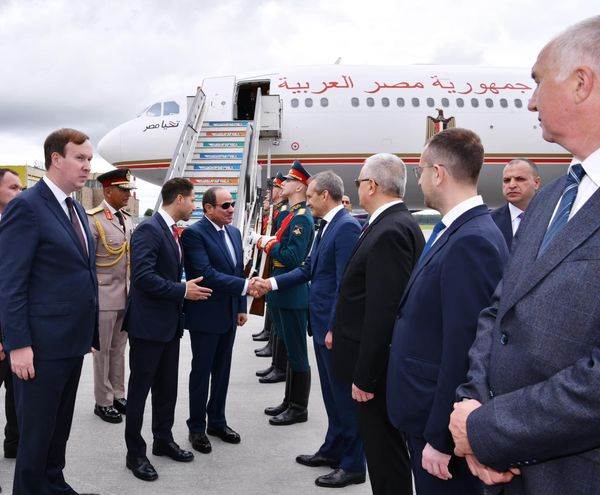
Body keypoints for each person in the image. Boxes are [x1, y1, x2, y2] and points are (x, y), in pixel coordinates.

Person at [449, 16, 600, 494]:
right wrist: (472, 408)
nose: (531, 101)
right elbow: (499, 312)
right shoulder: (550, 198)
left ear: (581, 83)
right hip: (506, 471)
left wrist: (486, 432)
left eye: (538, 82)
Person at [387, 128, 508, 494]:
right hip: (423, 412)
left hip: (437, 425)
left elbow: (466, 346)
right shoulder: (457, 230)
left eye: (421, 170)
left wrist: (441, 437)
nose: (419, 179)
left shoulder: (472, 240)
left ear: (438, 173)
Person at [0, 129, 99, 495]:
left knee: (58, 430)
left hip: (71, 342)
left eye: (89, 159)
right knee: (37, 435)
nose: (87, 166)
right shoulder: (27, 206)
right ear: (56, 159)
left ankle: (53, 484)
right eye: (80, 158)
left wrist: (89, 333)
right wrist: (18, 344)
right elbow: (11, 283)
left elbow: (81, 272)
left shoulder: (74, 207)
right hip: (40, 346)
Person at [251, 171, 365, 487]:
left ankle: (353, 464)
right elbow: (307, 269)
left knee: (343, 397)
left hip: (332, 330)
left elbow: (345, 284)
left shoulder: (345, 227)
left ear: (325, 194)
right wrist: (270, 283)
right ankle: (333, 448)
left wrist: (335, 327)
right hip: (321, 325)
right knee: (331, 395)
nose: (308, 201)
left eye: (312, 195)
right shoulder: (327, 225)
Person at [331, 153, 425, 495]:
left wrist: (366, 376)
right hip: (376, 365)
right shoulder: (390, 223)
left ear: (371, 185)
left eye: (359, 182)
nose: (358, 188)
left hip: (376, 372)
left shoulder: (391, 230)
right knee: (383, 451)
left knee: (385, 454)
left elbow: (383, 311)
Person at [124, 178, 212, 482]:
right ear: (179, 199)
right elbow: (142, 277)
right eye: (192, 199)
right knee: (139, 391)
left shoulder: (171, 231)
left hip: (169, 325)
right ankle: (135, 453)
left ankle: (163, 439)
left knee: (166, 389)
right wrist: (182, 290)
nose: (194, 206)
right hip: (148, 326)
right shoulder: (149, 229)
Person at [181, 186, 247, 455]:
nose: (231, 209)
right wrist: (246, 287)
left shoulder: (234, 232)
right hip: (206, 315)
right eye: (225, 205)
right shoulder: (194, 234)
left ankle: (217, 422)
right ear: (208, 208)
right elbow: (205, 273)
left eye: (232, 204)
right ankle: (196, 427)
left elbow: (238, 269)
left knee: (222, 371)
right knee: (202, 372)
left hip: (229, 313)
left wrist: (241, 306)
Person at [250, 161, 314, 426]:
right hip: (281, 290)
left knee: (297, 353)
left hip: (292, 293)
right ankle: (289, 401)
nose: (283, 184)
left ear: (299, 186)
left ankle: (299, 407)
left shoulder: (301, 218)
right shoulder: (291, 215)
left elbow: (292, 257)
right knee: (289, 349)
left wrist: (267, 244)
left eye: (289, 180)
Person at [87, 168, 135, 424]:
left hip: (125, 295)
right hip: (103, 295)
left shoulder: (126, 218)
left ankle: (117, 393)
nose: (128, 194)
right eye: (123, 190)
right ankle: (103, 401)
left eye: (129, 190)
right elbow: (86, 263)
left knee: (119, 350)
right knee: (102, 351)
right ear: (108, 191)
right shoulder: (93, 219)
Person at [256, 172, 289, 384]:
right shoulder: (280, 210)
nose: (273, 191)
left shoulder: (286, 212)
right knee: (275, 313)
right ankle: (275, 359)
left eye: (276, 187)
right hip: (274, 264)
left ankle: (279, 363)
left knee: (280, 319)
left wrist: (266, 244)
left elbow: (282, 244)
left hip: (280, 268)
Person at [0, 168, 22, 465]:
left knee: (17, 393)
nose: (19, 193)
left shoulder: (18, 226)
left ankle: (14, 444)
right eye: (13, 188)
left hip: (15, 330)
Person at [491, 158, 541, 249]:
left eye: (520, 179)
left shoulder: (553, 217)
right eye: (507, 180)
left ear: (536, 183)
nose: (511, 185)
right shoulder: (490, 221)